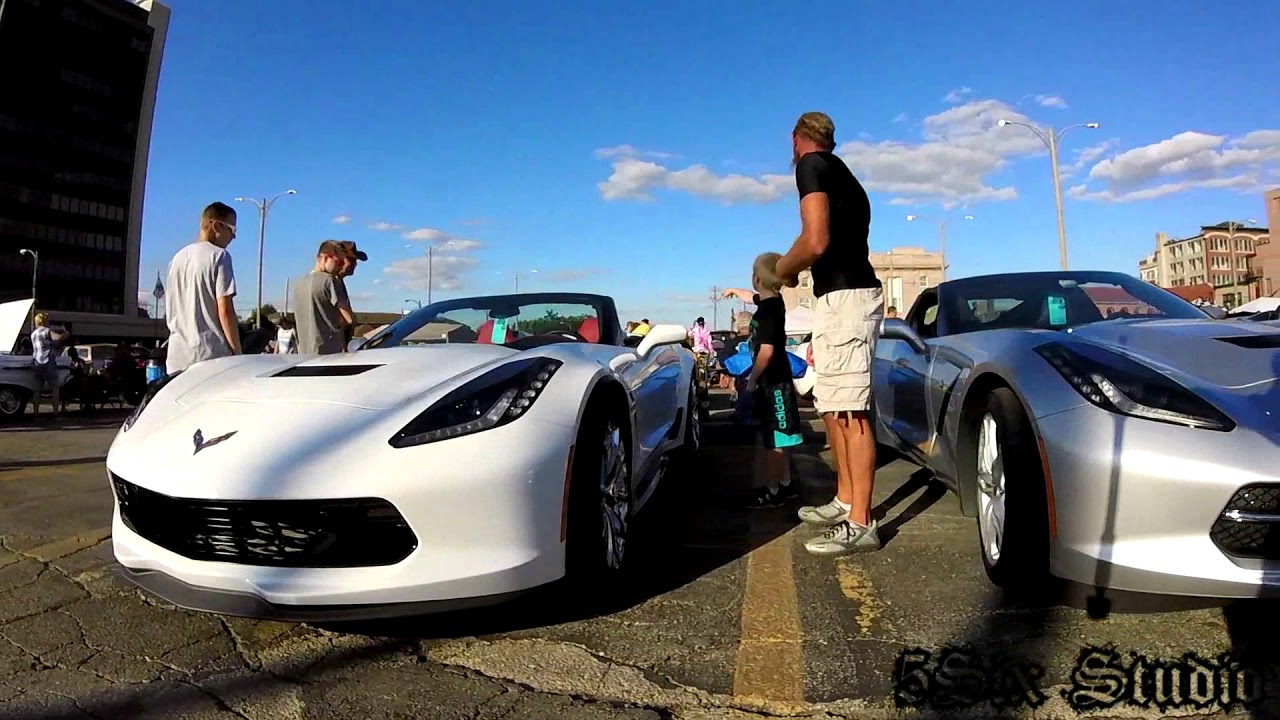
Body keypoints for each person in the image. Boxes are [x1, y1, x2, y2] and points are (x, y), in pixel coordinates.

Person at [774, 111, 885, 556]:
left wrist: (782, 269)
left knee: (852, 412)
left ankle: (861, 522)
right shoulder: (839, 171)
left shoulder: (811, 165)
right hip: (837, 299)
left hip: (847, 300)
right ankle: (844, 499)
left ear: (796, 139)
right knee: (835, 407)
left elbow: (815, 240)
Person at [723, 253, 803, 508]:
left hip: (774, 383)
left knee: (776, 442)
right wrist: (735, 291)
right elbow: (751, 297)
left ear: (756, 278)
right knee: (778, 439)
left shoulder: (769, 311)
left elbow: (766, 351)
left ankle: (774, 490)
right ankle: (785, 485)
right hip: (773, 381)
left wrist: (752, 379)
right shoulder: (771, 301)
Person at [163, 202, 242, 374]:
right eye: (232, 229)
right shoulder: (219, 256)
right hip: (210, 355)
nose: (233, 237)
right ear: (217, 226)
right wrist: (237, 353)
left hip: (177, 357)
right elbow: (225, 310)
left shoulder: (176, 259)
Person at [293, 241, 354, 354]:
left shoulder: (299, 283)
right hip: (329, 351)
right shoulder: (330, 280)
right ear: (326, 257)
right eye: (339, 262)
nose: (340, 267)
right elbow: (349, 319)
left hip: (304, 352)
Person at [29, 313, 66, 416]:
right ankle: (55, 412)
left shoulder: (33, 334)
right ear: (44, 321)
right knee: (55, 388)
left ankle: (36, 412)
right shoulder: (46, 331)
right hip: (48, 361)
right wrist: (65, 334)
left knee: (37, 390)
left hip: (36, 361)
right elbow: (57, 338)